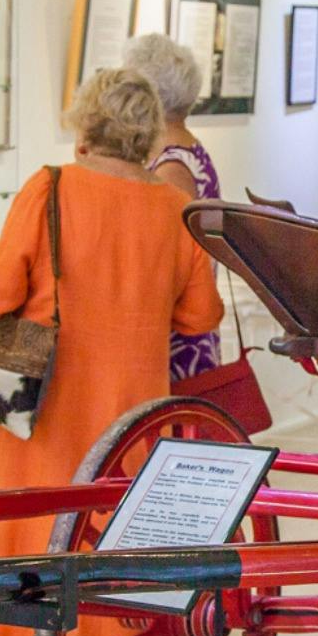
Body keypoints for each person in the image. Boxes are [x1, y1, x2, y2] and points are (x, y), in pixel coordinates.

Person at [0, 67, 223, 636]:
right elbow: (201, 314)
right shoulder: (170, 209)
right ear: (146, 136)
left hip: (46, 416)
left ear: (84, 127)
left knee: (36, 547)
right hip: (133, 418)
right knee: (120, 550)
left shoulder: (49, 189)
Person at [123, 32, 224, 380]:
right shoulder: (182, 152)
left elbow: (165, 257)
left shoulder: (172, 165)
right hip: (180, 322)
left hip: (178, 333)